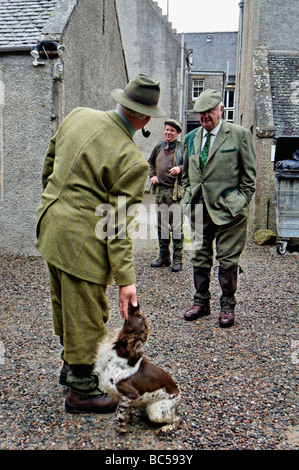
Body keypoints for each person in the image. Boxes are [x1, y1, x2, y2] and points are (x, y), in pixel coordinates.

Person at [36, 74, 165, 413]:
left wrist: (55, 204)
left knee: (65, 304)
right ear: (146, 118)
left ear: (122, 101)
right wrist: (126, 281)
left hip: (50, 226)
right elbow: (117, 228)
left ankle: (70, 365)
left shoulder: (79, 115)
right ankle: (80, 389)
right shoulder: (132, 160)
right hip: (81, 244)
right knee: (89, 315)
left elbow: (49, 164)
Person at [181, 89, 256, 327]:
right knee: (199, 258)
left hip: (229, 214)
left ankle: (227, 305)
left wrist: (237, 204)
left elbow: (249, 180)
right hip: (199, 211)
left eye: (209, 111)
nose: (205, 117)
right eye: (201, 113)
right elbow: (186, 176)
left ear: (221, 109)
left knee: (228, 261)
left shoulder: (239, 135)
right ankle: (201, 302)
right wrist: (186, 199)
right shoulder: (191, 138)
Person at [148, 119, 184, 272]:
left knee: (176, 227)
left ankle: (177, 260)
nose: (168, 133)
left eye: (172, 131)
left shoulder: (182, 148)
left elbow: (192, 164)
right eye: (166, 130)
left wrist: (180, 168)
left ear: (177, 133)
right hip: (160, 192)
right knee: (161, 226)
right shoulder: (160, 146)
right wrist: (152, 175)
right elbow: (150, 162)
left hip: (174, 193)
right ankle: (164, 257)